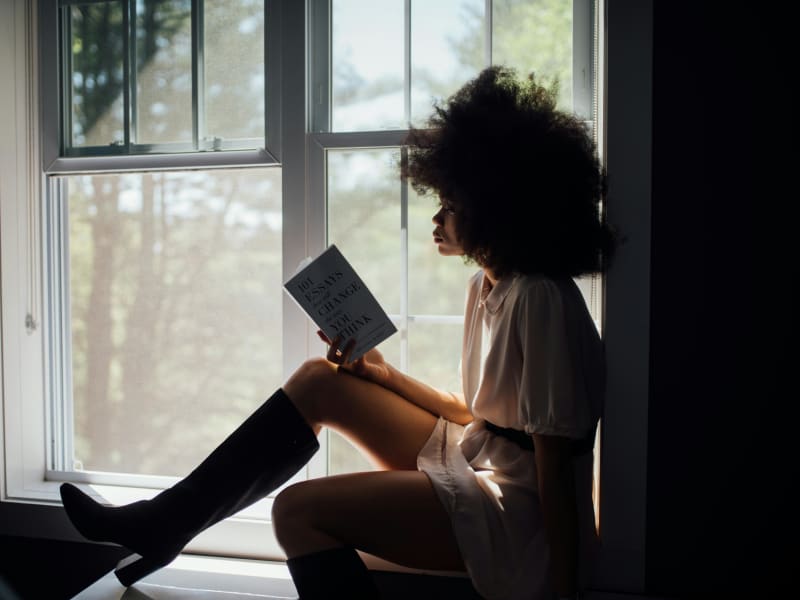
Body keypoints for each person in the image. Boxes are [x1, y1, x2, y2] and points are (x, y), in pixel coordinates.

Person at [60, 66, 617, 600]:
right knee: (319, 380)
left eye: (450, 205)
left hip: (518, 513)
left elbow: (552, 459)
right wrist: (381, 374)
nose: (436, 218)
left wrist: (565, 589)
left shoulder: (541, 297)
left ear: (496, 210)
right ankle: (164, 524)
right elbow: (473, 412)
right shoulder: (487, 285)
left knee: (295, 512)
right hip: (477, 455)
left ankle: (161, 526)